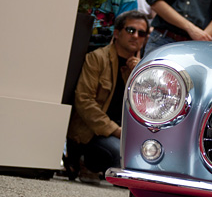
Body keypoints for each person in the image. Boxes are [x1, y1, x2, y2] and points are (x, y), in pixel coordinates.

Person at [64, 10, 149, 182]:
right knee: (122, 156)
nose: (136, 36)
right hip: (91, 134)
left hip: (120, 133)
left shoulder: (142, 69)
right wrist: (116, 131)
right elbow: (84, 101)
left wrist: (138, 75)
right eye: (131, 30)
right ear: (116, 33)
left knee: (146, 157)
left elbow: (148, 109)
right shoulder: (97, 58)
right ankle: (83, 162)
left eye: (142, 33)